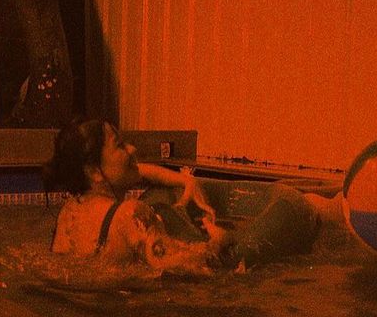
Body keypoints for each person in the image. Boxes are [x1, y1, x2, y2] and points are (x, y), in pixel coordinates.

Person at [44, 118, 328, 275]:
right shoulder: (131, 215)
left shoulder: (70, 211)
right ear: (94, 171)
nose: (132, 149)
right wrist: (219, 239)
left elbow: (140, 171)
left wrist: (185, 180)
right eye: (120, 146)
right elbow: (194, 265)